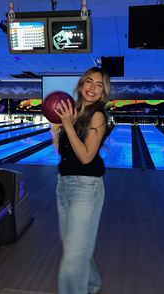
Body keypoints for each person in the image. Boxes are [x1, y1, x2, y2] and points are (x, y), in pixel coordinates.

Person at [51, 66, 111, 294]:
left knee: (73, 257)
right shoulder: (73, 111)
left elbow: (86, 157)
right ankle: (93, 284)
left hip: (86, 187)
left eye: (99, 85)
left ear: (104, 93)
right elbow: (63, 152)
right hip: (63, 184)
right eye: (89, 82)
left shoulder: (98, 116)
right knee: (74, 248)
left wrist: (67, 124)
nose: (92, 88)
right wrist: (56, 129)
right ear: (80, 85)